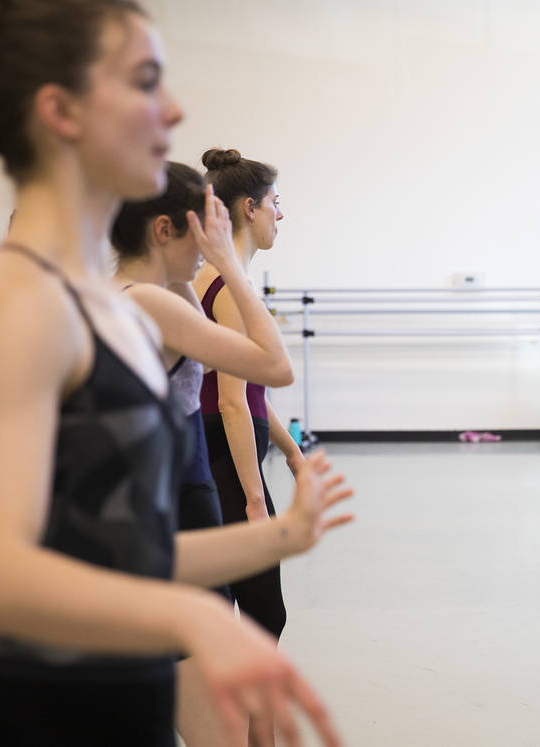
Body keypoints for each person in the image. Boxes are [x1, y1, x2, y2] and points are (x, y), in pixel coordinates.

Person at [0, 2, 349, 744]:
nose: (176, 108)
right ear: (60, 109)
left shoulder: (107, 304)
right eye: (146, 81)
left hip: (124, 700)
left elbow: (113, 552)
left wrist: (275, 536)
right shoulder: (9, 298)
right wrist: (190, 611)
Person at [111, 163, 351, 746]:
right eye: (202, 231)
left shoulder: (136, 296)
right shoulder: (154, 303)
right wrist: (230, 267)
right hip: (176, 501)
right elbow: (271, 370)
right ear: (163, 231)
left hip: (166, 509)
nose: (208, 245)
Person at [194, 148, 302, 643]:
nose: (281, 214)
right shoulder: (230, 288)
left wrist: (292, 452)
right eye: (274, 202)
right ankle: (252, 723)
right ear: (249, 209)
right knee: (262, 616)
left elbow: (248, 390)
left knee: (227, 611)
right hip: (229, 467)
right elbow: (232, 402)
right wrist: (255, 498)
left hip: (217, 459)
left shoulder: (215, 280)